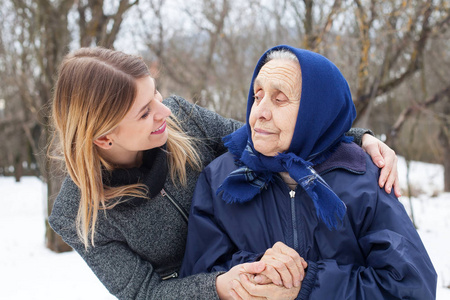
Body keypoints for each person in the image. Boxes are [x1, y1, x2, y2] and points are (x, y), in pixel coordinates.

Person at [48, 47, 400, 299]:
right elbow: (143, 292)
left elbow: (263, 136)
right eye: (144, 113)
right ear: (104, 137)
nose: (163, 112)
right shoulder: (78, 214)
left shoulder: (182, 118)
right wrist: (217, 287)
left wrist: (356, 137)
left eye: (157, 95)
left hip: (260, 261)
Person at [180, 45, 437, 299]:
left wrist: (308, 285)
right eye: (257, 96)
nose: (259, 113)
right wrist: (261, 272)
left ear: (315, 113)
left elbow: (411, 288)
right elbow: (197, 282)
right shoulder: (222, 178)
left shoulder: (364, 179)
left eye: (279, 99)